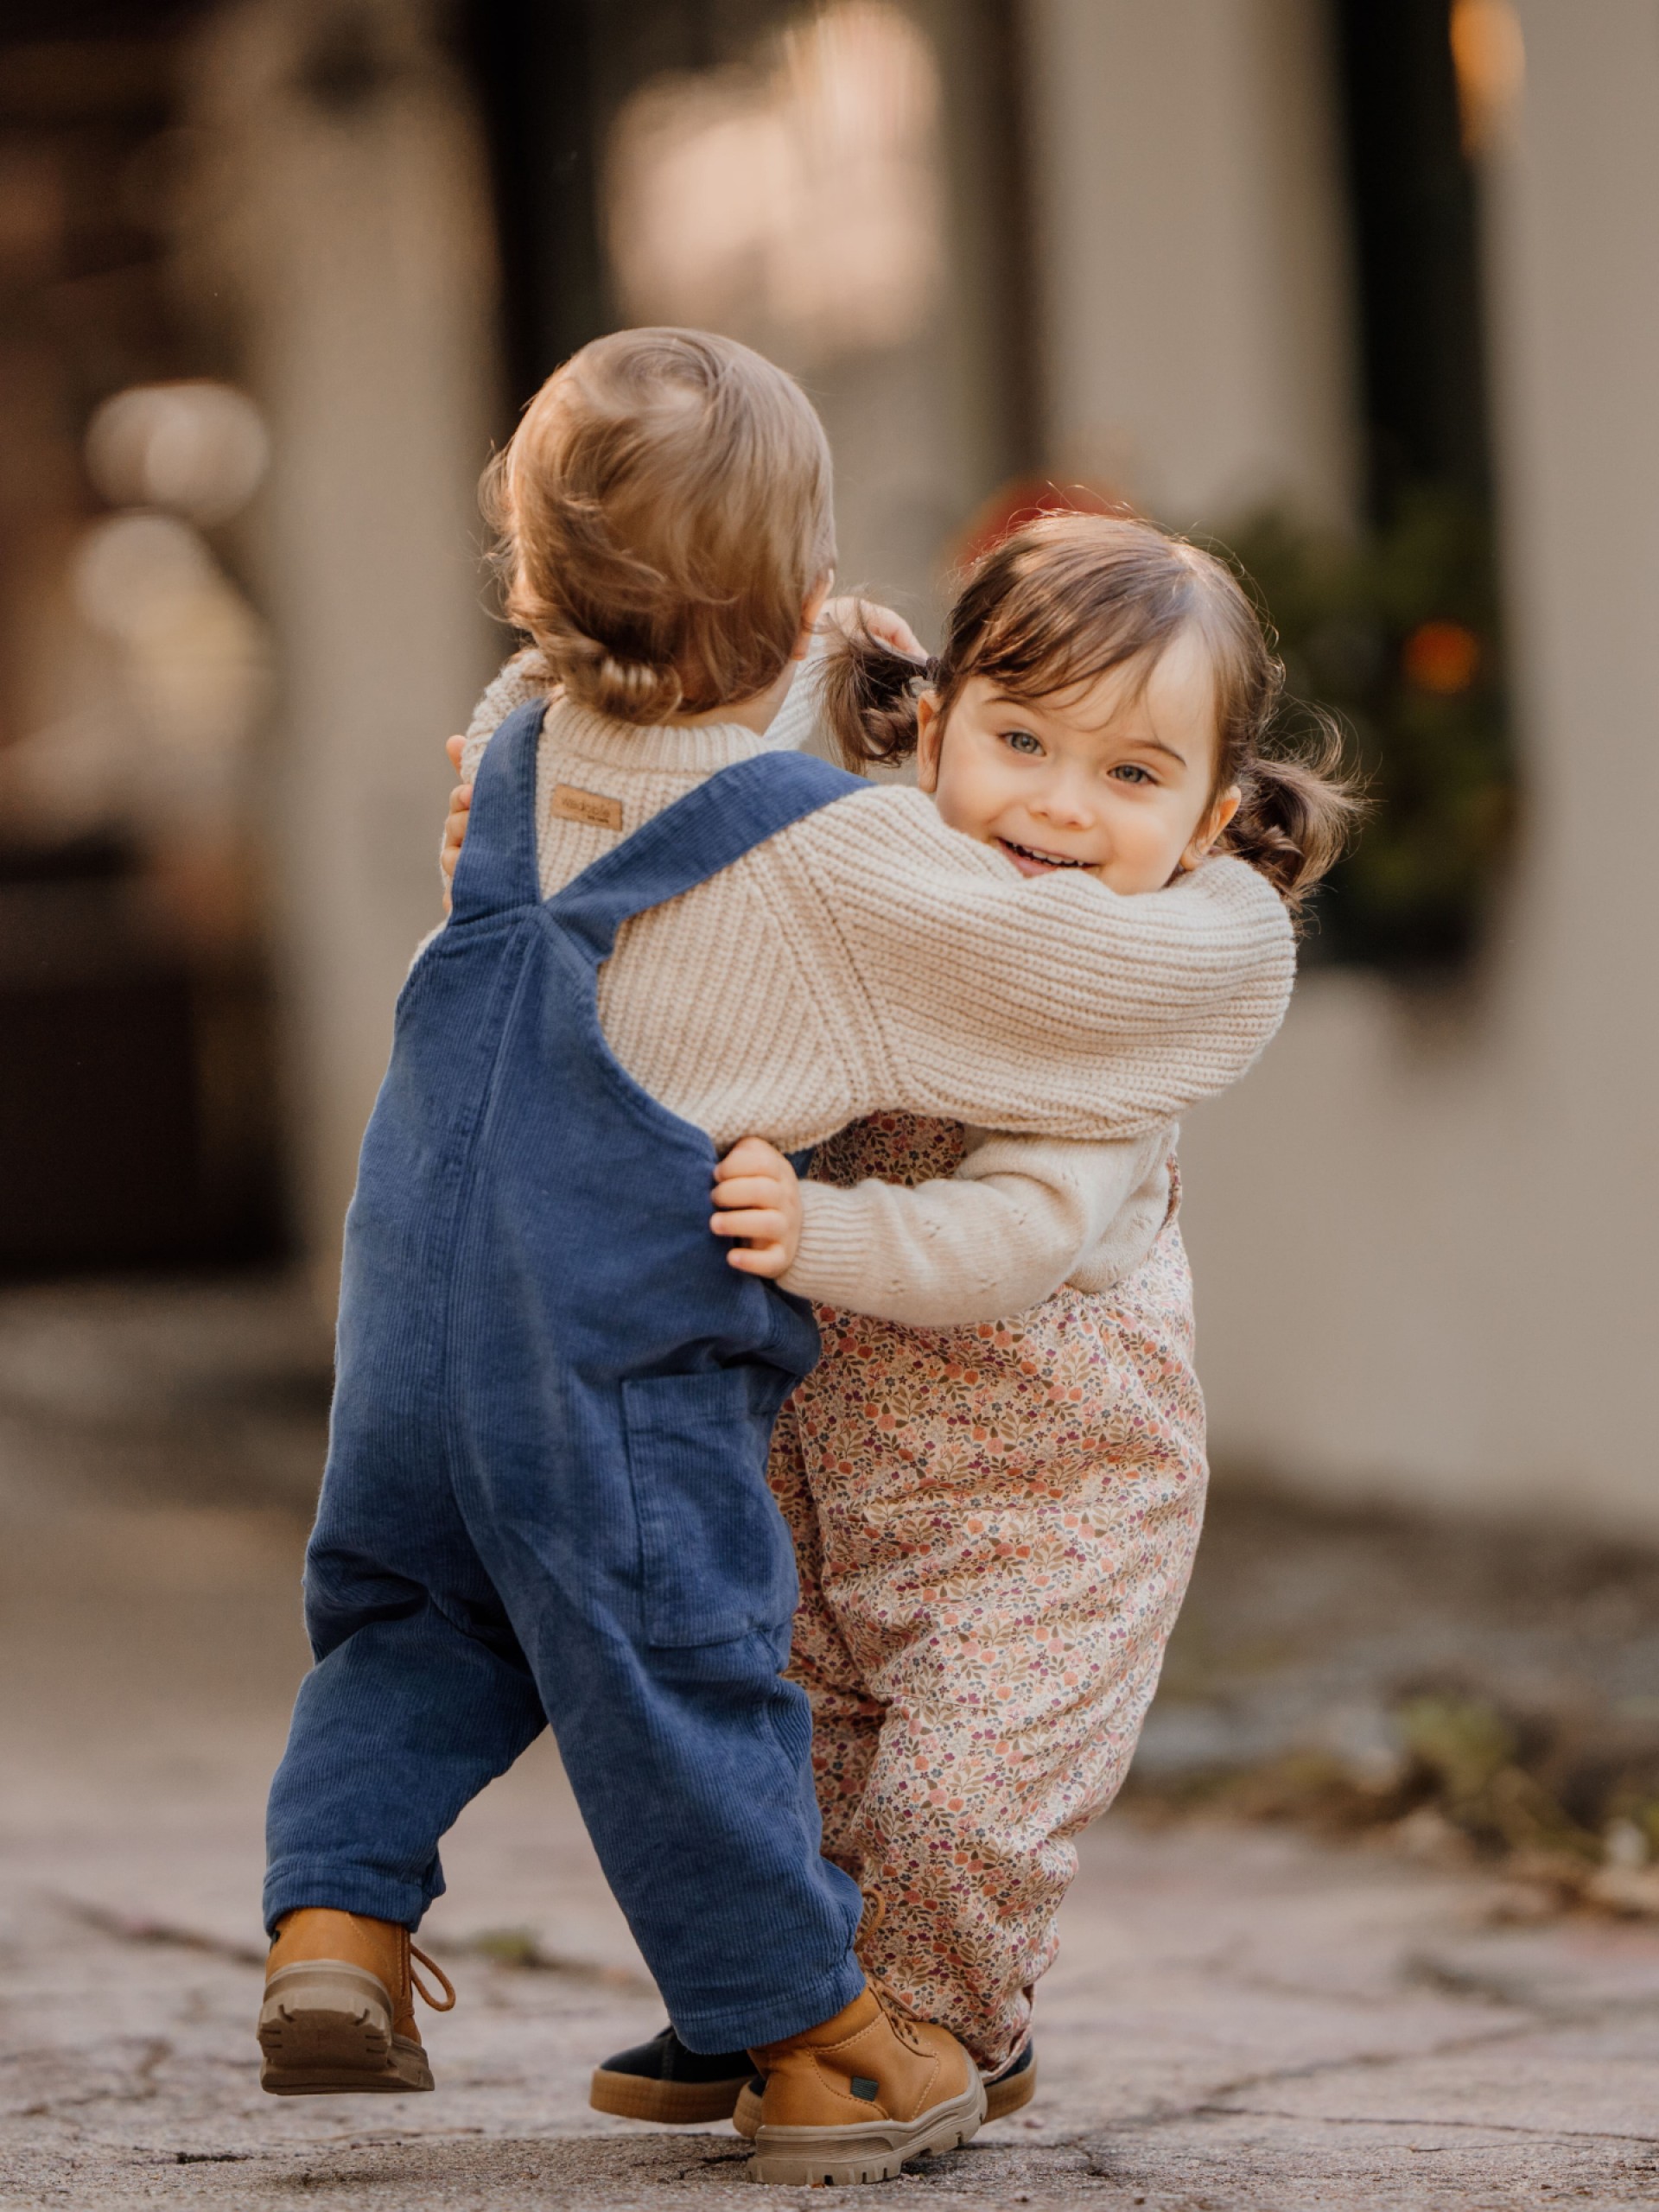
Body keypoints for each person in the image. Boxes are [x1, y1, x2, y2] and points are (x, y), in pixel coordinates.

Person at [267, 327, 1294, 2190]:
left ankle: (913, 2018)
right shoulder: (882, 864)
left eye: (1136, 778)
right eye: (1018, 742)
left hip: (1042, 1475)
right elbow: (780, 737)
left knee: (961, 1781)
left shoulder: (1047, 989)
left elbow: (1027, 1230)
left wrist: (827, 1225)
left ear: (1215, 819)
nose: (1060, 809)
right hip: (824, 1435)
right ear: (929, 720)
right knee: (775, 1711)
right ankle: (779, 2010)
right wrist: (842, 657)